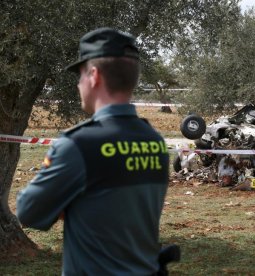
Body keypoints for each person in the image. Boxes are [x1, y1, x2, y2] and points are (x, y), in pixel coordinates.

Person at [16, 27, 170, 275]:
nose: (78, 84)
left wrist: (69, 202)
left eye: (79, 76)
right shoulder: (155, 141)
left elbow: (29, 211)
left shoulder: (77, 145)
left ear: (94, 75)